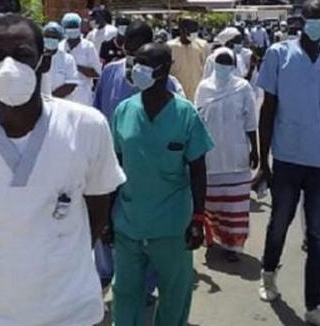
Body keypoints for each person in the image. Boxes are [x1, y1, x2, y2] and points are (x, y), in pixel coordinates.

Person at [0, 14, 125, 325]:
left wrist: (64, 253)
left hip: (69, 303)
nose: (8, 66)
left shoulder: (86, 125)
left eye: (22, 55)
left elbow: (99, 202)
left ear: (42, 60)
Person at [110, 42, 214, 325]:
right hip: (129, 222)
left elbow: (198, 169)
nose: (134, 69)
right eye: (134, 62)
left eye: (143, 63)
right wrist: (107, 218)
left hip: (172, 226)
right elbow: (112, 166)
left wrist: (198, 217)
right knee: (125, 292)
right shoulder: (123, 111)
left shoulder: (185, 114)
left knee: (174, 294)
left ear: (163, 70)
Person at [255, 0, 320, 326]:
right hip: (289, 156)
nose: (317, 23)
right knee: (280, 221)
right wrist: (263, 161)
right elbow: (268, 109)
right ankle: (267, 274)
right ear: (301, 20)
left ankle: (315, 304)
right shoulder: (279, 54)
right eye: (312, 18)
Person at [92, 20, 182, 305]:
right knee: (106, 220)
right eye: (129, 48)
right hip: (110, 159)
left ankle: (144, 284)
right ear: (123, 46)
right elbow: (97, 113)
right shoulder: (109, 73)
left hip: (148, 166)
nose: (133, 56)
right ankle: (105, 274)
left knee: (145, 228)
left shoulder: (166, 82)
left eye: (140, 49)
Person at [195, 47, 258, 262]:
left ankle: (233, 245)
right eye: (220, 61)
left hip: (237, 157)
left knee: (235, 205)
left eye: (227, 62)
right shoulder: (203, 88)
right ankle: (213, 238)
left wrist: (255, 150)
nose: (223, 66)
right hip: (211, 157)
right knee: (212, 203)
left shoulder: (242, 87)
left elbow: (250, 122)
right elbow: (197, 121)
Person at [60, 12, 101, 106]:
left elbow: (97, 73)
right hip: (64, 99)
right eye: (69, 27)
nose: (72, 29)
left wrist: (75, 65)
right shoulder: (60, 47)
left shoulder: (88, 47)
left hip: (83, 97)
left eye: (74, 26)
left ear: (79, 27)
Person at [168, 17, 209, 101]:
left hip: (197, 95)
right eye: (191, 31)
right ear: (182, 30)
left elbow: (207, 69)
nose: (194, 34)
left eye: (195, 31)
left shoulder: (202, 45)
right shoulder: (170, 47)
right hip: (177, 96)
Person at [40, 21, 80, 100]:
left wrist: (50, 98)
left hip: (61, 103)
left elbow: (71, 83)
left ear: (59, 39)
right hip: (40, 104)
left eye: (54, 37)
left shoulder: (68, 59)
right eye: (47, 36)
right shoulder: (38, 57)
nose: (50, 39)